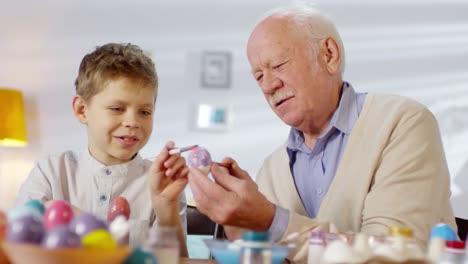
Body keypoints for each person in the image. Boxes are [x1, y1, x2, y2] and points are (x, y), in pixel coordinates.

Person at [188, 4, 456, 261]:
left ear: (329, 55)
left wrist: (271, 220)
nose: (268, 85)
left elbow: (391, 257)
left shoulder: (402, 123)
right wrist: (240, 228)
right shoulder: (271, 170)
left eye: (279, 65)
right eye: (258, 76)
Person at [15, 43, 189, 256]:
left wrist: (166, 208)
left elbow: (176, 261)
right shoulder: (50, 173)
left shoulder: (164, 185)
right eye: (117, 109)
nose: (132, 122)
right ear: (82, 110)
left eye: (144, 112)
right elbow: (18, 246)